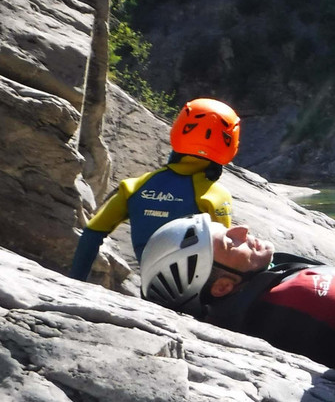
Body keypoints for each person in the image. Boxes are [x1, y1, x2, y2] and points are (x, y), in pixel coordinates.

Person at [138, 213, 335, 374]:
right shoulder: (300, 295)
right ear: (223, 287)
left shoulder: (262, 299)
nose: (242, 230)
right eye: (231, 241)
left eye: (229, 229)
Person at [71, 98, 241, 282]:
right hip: (193, 298)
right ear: (231, 144)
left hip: (151, 287)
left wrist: (75, 281)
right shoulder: (215, 196)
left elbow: (92, 233)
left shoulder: (134, 186)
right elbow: (225, 253)